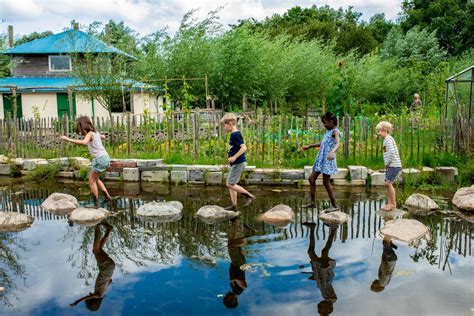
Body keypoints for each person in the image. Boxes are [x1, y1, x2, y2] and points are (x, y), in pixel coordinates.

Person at [61, 116, 112, 208]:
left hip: (99, 159)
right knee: (96, 179)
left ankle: (95, 204)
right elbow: (103, 136)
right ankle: (107, 196)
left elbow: (84, 142)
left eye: (80, 130)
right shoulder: (95, 133)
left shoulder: (89, 134)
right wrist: (103, 137)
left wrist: (68, 139)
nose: (80, 132)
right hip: (105, 157)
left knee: (91, 180)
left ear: (83, 126)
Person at [71, 222, 115, 311]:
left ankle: (108, 230)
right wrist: (77, 301)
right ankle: (97, 225)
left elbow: (110, 281)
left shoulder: (101, 293)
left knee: (99, 248)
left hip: (108, 268)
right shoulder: (99, 295)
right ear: (93, 301)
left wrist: (105, 282)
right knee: (96, 250)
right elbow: (91, 296)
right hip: (105, 268)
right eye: (89, 299)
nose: (89, 296)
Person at [300, 112, 340, 211]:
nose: (324, 125)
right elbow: (322, 143)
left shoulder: (335, 132)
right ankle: (312, 203)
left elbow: (338, 144)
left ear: (331, 122)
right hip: (321, 159)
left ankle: (335, 206)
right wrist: (309, 146)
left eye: (325, 123)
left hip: (328, 159)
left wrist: (332, 152)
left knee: (326, 182)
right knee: (311, 179)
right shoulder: (328, 132)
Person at [220, 113, 255, 210]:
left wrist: (234, 157)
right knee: (232, 184)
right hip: (236, 163)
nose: (224, 128)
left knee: (229, 184)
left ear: (230, 124)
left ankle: (250, 196)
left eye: (224, 125)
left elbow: (244, 148)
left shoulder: (236, 134)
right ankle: (233, 205)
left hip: (238, 163)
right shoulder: (233, 134)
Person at [302, 223, 338, 316]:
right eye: (321, 309)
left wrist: (315, 277)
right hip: (324, 268)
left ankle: (313, 228)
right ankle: (333, 229)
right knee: (322, 251)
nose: (319, 307)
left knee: (315, 251)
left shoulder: (327, 297)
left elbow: (323, 284)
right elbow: (327, 282)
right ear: (325, 308)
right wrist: (325, 269)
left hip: (320, 270)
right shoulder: (330, 297)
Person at [223, 218, 256, 308]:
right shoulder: (238, 291)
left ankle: (234, 222)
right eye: (226, 298)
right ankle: (250, 235)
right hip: (238, 264)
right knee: (231, 245)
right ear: (232, 299)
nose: (225, 295)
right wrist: (235, 280)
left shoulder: (233, 289)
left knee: (231, 242)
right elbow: (245, 286)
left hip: (236, 263)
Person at [376, 121, 402, 211]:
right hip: (391, 165)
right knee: (387, 183)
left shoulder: (388, 139)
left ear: (385, 130)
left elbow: (391, 153)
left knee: (388, 183)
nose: (377, 133)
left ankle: (392, 203)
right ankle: (389, 202)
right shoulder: (386, 139)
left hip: (394, 165)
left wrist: (387, 164)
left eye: (379, 131)